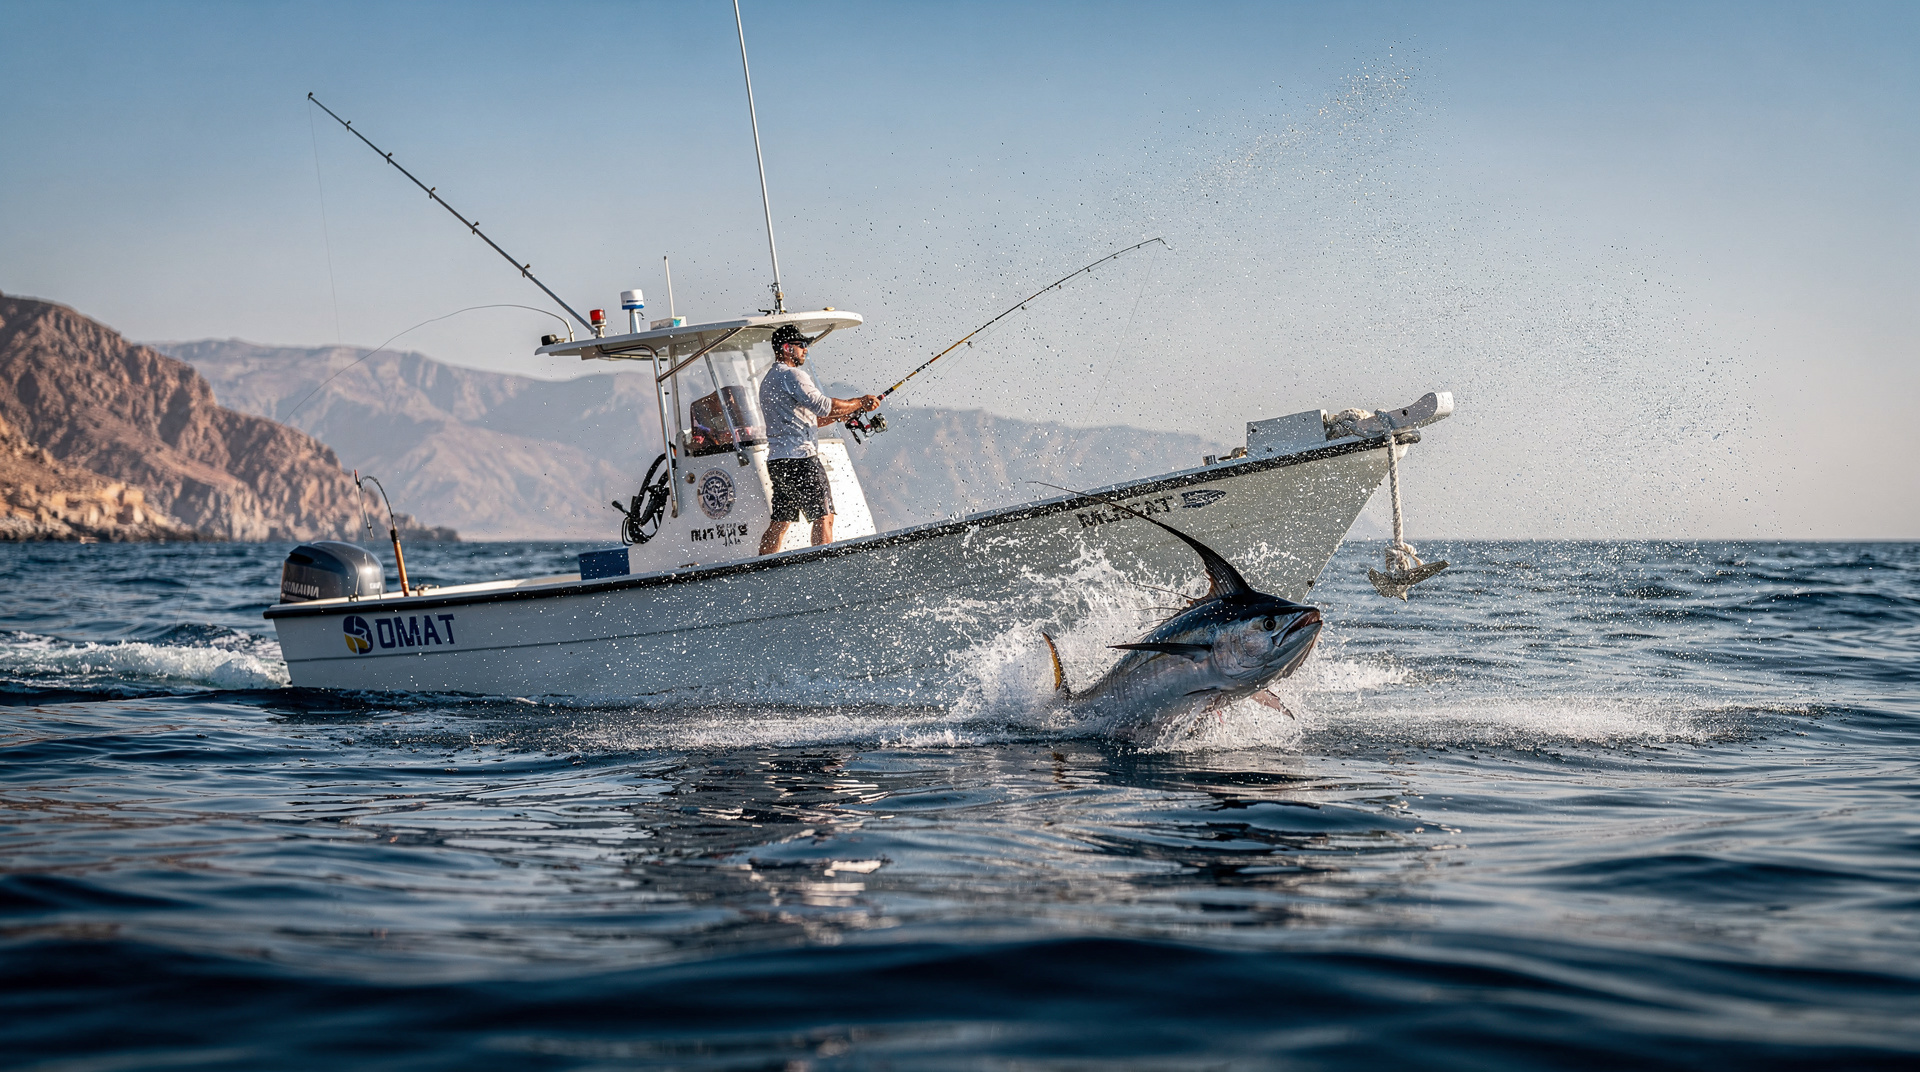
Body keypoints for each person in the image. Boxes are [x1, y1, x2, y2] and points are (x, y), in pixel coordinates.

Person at [757, 324, 879, 555]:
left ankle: (763, 567)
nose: (805, 350)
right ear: (786, 348)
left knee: (780, 522)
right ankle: (824, 569)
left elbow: (810, 419)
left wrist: (846, 413)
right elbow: (824, 406)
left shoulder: (769, 380)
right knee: (825, 516)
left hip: (779, 461)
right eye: (801, 345)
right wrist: (860, 402)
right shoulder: (792, 375)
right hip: (802, 460)